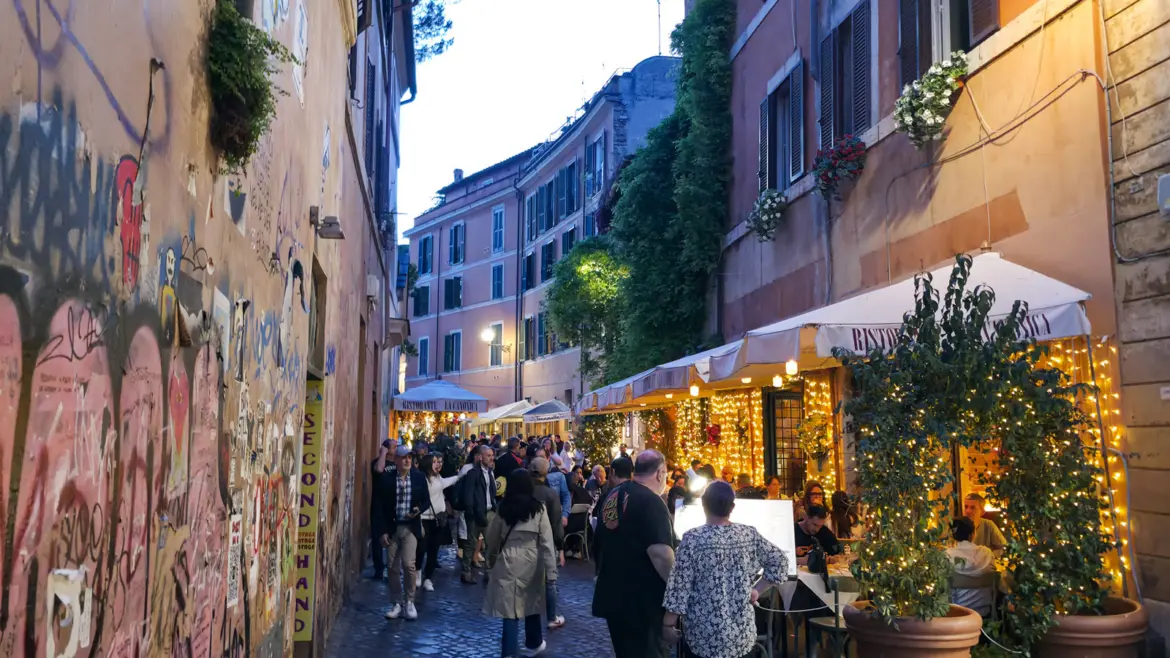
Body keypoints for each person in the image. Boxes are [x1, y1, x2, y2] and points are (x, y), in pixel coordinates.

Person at [663, 482, 789, 658]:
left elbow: (679, 588)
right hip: (741, 636)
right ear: (733, 506)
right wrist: (757, 590)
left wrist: (668, 625)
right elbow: (780, 561)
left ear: (704, 503)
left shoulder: (693, 540)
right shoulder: (748, 534)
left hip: (703, 637)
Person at [592, 450, 676, 658]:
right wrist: (679, 590)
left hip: (613, 595)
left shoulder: (613, 494)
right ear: (660, 473)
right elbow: (661, 554)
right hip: (642, 603)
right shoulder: (651, 502)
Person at [484, 470, 558, 658]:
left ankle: (508, 652)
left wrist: (490, 557)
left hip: (508, 558)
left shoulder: (503, 507)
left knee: (510, 610)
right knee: (531, 602)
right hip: (532, 560)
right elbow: (547, 543)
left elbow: (492, 537)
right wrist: (551, 572)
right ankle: (533, 642)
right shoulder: (539, 508)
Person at [377, 446, 431, 620]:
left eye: (410, 457)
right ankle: (396, 603)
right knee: (392, 567)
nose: (408, 461)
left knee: (409, 564)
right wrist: (382, 531)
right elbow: (380, 508)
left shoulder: (418, 477)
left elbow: (426, 501)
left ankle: (410, 601)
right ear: (397, 460)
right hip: (392, 528)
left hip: (410, 527)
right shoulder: (386, 479)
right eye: (404, 458)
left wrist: (417, 510)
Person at [416, 453, 463, 592]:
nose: (439, 464)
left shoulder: (438, 478)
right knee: (421, 548)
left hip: (438, 519)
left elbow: (445, 483)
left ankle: (428, 578)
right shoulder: (422, 479)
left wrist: (460, 476)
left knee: (433, 549)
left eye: (440, 462)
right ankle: (418, 573)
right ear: (428, 463)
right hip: (424, 518)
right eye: (435, 462)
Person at [529, 457, 567, 630]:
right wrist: (560, 546)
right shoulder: (551, 494)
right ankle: (551, 617)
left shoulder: (523, 491)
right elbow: (556, 522)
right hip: (546, 541)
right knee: (550, 580)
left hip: (525, 541)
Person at [457, 445, 498, 584]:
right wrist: (470, 511)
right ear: (480, 457)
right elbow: (468, 494)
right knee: (471, 543)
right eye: (488, 455)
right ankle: (466, 571)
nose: (491, 458)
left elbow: (491, 492)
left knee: (491, 543)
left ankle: (489, 571)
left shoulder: (490, 472)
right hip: (475, 512)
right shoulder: (473, 473)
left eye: (492, 455)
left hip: (489, 511)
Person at [947, 517, 997, 617]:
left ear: (953, 535)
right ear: (972, 534)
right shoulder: (987, 554)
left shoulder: (947, 556)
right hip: (984, 611)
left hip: (957, 612)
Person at [369, 439, 392, 580]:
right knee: (377, 535)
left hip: (392, 504)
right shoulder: (377, 462)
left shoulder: (398, 463)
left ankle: (392, 567)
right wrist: (383, 453)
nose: (396, 449)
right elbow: (378, 470)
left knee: (393, 536)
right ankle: (378, 569)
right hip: (378, 503)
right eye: (394, 447)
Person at [546, 455, 572, 528]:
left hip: (555, 517)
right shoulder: (529, 476)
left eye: (542, 456)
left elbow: (566, 496)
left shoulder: (558, 476)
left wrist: (564, 515)